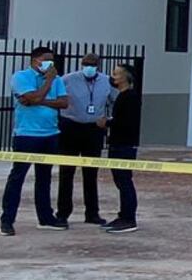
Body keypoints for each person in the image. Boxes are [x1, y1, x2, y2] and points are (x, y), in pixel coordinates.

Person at [1, 47, 70, 234]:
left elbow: (63, 102)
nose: (50, 63)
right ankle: (7, 220)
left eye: (52, 60)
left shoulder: (57, 79)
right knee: (18, 177)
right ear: (35, 60)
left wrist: (39, 100)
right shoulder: (21, 77)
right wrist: (47, 82)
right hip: (26, 134)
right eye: (46, 59)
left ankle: (45, 217)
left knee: (44, 178)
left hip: (50, 134)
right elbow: (32, 96)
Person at [54, 53, 114, 227]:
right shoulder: (68, 79)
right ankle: (63, 212)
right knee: (66, 172)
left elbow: (114, 101)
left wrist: (107, 120)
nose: (89, 67)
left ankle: (92, 213)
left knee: (91, 173)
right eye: (86, 63)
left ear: (98, 65)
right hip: (71, 127)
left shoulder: (106, 81)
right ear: (81, 64)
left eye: (93, 64)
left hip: (93, 129)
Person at [103, 62, 143, 231]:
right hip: (118, 143)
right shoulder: (121, 95)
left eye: (117, 74)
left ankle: (129, 218)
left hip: (124, 145)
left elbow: (126, 122)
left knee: (124, 180)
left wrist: (108, 122)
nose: (113, 77)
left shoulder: (130, 97)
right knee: (120, 181)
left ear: (126, 77)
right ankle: (123, 214)